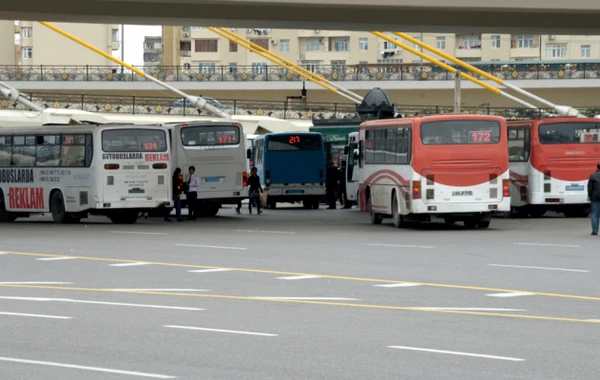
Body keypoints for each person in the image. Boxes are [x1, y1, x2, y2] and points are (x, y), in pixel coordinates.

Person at [587, 163, 600, 235]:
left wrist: (590, 196)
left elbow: (590, 188)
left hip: (595, 197)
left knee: (595, 214)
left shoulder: (593, 176)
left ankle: (595, 231)